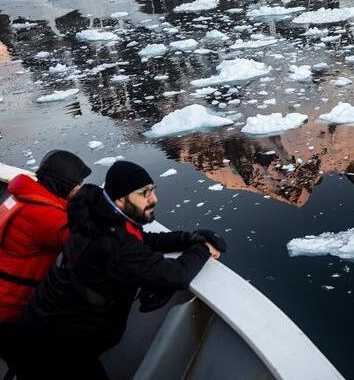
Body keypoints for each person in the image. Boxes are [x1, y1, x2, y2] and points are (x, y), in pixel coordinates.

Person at [15, 160, 226, 379]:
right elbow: (176, 274)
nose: (154, 199)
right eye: (144, 193)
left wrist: (188, 238)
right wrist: (202, 248)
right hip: (57, 353)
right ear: (120, 200)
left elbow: (142, 239)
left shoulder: (96, 213)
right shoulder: (113, 244)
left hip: (48, 330)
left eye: (153, 190)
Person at [0, 150, 91, 366]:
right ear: (61, 184)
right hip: (4, 316)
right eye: (77, 184)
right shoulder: (43, 215)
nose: (80, 189)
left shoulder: (20, 199)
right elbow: (89, 244)